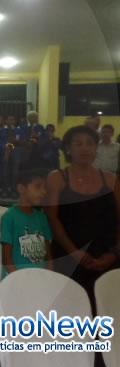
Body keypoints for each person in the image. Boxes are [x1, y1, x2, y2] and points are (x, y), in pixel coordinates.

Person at [45, 126, 120, 306]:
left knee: (106, 309)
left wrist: (113, 254)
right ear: (68, 149)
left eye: (90, 144)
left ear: (96, 148)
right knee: (70, 310)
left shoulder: (111, 180)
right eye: (78, 144)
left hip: (107, 256)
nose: (84, 148)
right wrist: (74, 252)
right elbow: (52, 219)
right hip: (68, 255)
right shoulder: (57, 178)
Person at [0, 169, 52, 276]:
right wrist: (19, 281)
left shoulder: (42, 217)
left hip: (38, 279)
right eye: (38, 186)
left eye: (44, 188)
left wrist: (48, 276)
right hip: (16, 280)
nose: (43, 192)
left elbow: (48, 255)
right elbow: (7, 259)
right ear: (21, 189)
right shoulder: (9, 217)